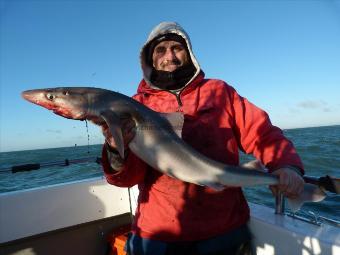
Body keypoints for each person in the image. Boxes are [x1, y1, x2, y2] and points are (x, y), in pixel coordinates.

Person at [100, 22, 305, 255]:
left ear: (189, 53)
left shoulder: (219, 92)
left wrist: (286, 165)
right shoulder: (136, 106)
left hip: (224, 228)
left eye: (177, 48)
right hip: (159, 233)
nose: (170, 56)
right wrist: (117, 152)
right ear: (149, 59)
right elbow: (129, 178)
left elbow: (262, 132)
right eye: (160, 50)